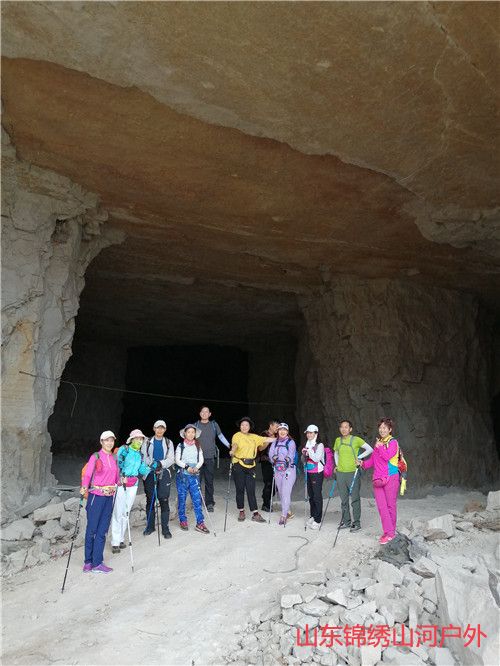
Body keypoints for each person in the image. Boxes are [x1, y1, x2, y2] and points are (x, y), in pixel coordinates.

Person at [81, 430, 119, 574]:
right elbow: (87, 475)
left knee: (102, 530)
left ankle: (97, 562)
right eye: (106, 440)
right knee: (92, 529)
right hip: (96, 497)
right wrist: (84, 486)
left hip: (109, 497)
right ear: (101, 442)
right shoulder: (95, 457)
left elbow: (116, 478)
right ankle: (88, 562)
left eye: (112, 440)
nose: (109, 443)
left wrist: (122, 480)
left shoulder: (114, 458)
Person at [358, 418, 400, 544]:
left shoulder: (393, 442)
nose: (382, 430)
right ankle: (388, 531)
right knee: (382, 507)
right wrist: (362, 464)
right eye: (380, 427)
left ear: (390, 430)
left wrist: (380, 447)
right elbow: (373, 461)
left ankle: (391, 533)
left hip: (391, 477)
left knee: (390, 506)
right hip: (378, 478)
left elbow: (387, 456)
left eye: (385, 428)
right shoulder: (379, 443)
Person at [111, 429, 151, 554]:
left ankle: (121, 538)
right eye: (137, 439)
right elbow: (117, 465)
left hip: (133, 484)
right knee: (118, 511)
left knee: (126, 511)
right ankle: (115, 541)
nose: (139, 441)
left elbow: (141, 470)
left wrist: (151, 468)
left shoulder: (140, 455)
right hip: (121, 483)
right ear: (132, 439)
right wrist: (120, 476)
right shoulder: (124, 450)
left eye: (141, 439)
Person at [229, 417, 275, 523]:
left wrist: (282, 438)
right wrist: (232, 450)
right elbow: (235, 444)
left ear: (249, 427)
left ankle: (255, 513)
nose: (244, 427)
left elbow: (267, 439)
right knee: (240, 489)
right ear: (240, 426)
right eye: (242, 425)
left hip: (251, 465)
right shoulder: (237, 435)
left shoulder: (254, 437)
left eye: (246, 425)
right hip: (239, 464)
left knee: (251, 490)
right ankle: (241, 511)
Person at [333, 420, 373, 532]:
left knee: (355, 498)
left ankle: (356, 523)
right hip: (341, 473)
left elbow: (370, 449)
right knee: (343, 499)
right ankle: (346, 521)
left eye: (346, 427)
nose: (344, 429)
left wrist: (359, 458)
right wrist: (337, 465)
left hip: (353, 472)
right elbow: (336, 453)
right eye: (342, 427)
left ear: (350, 429)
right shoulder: (338, 440)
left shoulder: (356, 440)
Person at [141, 419, 175, 539]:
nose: (160, 430)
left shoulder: (169, 442)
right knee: (150, 499)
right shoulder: (147, 442)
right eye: (157, 427)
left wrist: (160, 463)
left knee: (164, 499)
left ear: (165, 429)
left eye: (162, 428)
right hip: (150, 473)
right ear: (154, 429)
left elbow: (171, 458)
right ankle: (150, 527)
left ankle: (165, 528)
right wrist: (151, 464)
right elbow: (144, 457)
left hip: (164, 473)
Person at [194, 406, 231, 512]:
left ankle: (209, 503)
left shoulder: (214, 425)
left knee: (209, 482)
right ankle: (197, 502)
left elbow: (221, 436)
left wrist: (229, 446)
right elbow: (189, 439)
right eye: (202, 412)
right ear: (200, 413)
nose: (204, 413)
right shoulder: (195, 425)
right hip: (197, 458)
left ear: (210, 414)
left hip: (210, 457)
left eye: (206, 412)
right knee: (196, 482)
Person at [175, 424, 210, 534]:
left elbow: (201, 460)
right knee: (182, 498)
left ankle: (200, 522)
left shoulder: (198, 445)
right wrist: (187, 467)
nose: (191, 434)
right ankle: (183, 520)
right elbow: (177, 460)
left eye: (193, 432)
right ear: (185, 433)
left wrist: (196, 468)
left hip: (194, 475)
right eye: (188, 432)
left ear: (195, 434)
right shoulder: (180, 445)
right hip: (182, 476)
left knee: (197, 499)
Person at [268, 423, 297, 525]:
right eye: (280, 429)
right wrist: (273, 458)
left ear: (287, 432)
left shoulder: (291, 442)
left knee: (285, 492)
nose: (282, 431)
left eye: (284, 430)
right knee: (280, 491)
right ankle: (288, 511)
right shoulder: (275, 442)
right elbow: (270, 453)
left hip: (289, 469)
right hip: (278, 469)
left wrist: (286, 460)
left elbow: (291, 454)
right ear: (278, 431)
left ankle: (283, 515)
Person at [302, 424, 325, 530]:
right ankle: (313, 515)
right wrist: (304, 454)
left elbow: (316, 459)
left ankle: (318, 520)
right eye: (308, 433)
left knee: (317, 495)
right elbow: (304, 459)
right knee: (311, 495)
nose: (309, 434)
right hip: (309, 471)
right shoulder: (307, 443)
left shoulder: (320, 445)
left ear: (316, 433)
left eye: (311, 433)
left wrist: (309, 451)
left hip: (317, 472)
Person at [259, 419, 279, 512]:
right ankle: (266, 504)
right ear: (271, 425)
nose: (277, 428)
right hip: (266, 461)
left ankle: (265, 496)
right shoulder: (264, 434)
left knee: (277, 484)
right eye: (276, 426)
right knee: (269, 482)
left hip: (277, 462)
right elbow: (260, 448)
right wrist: (269, 440)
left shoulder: (278, 435)